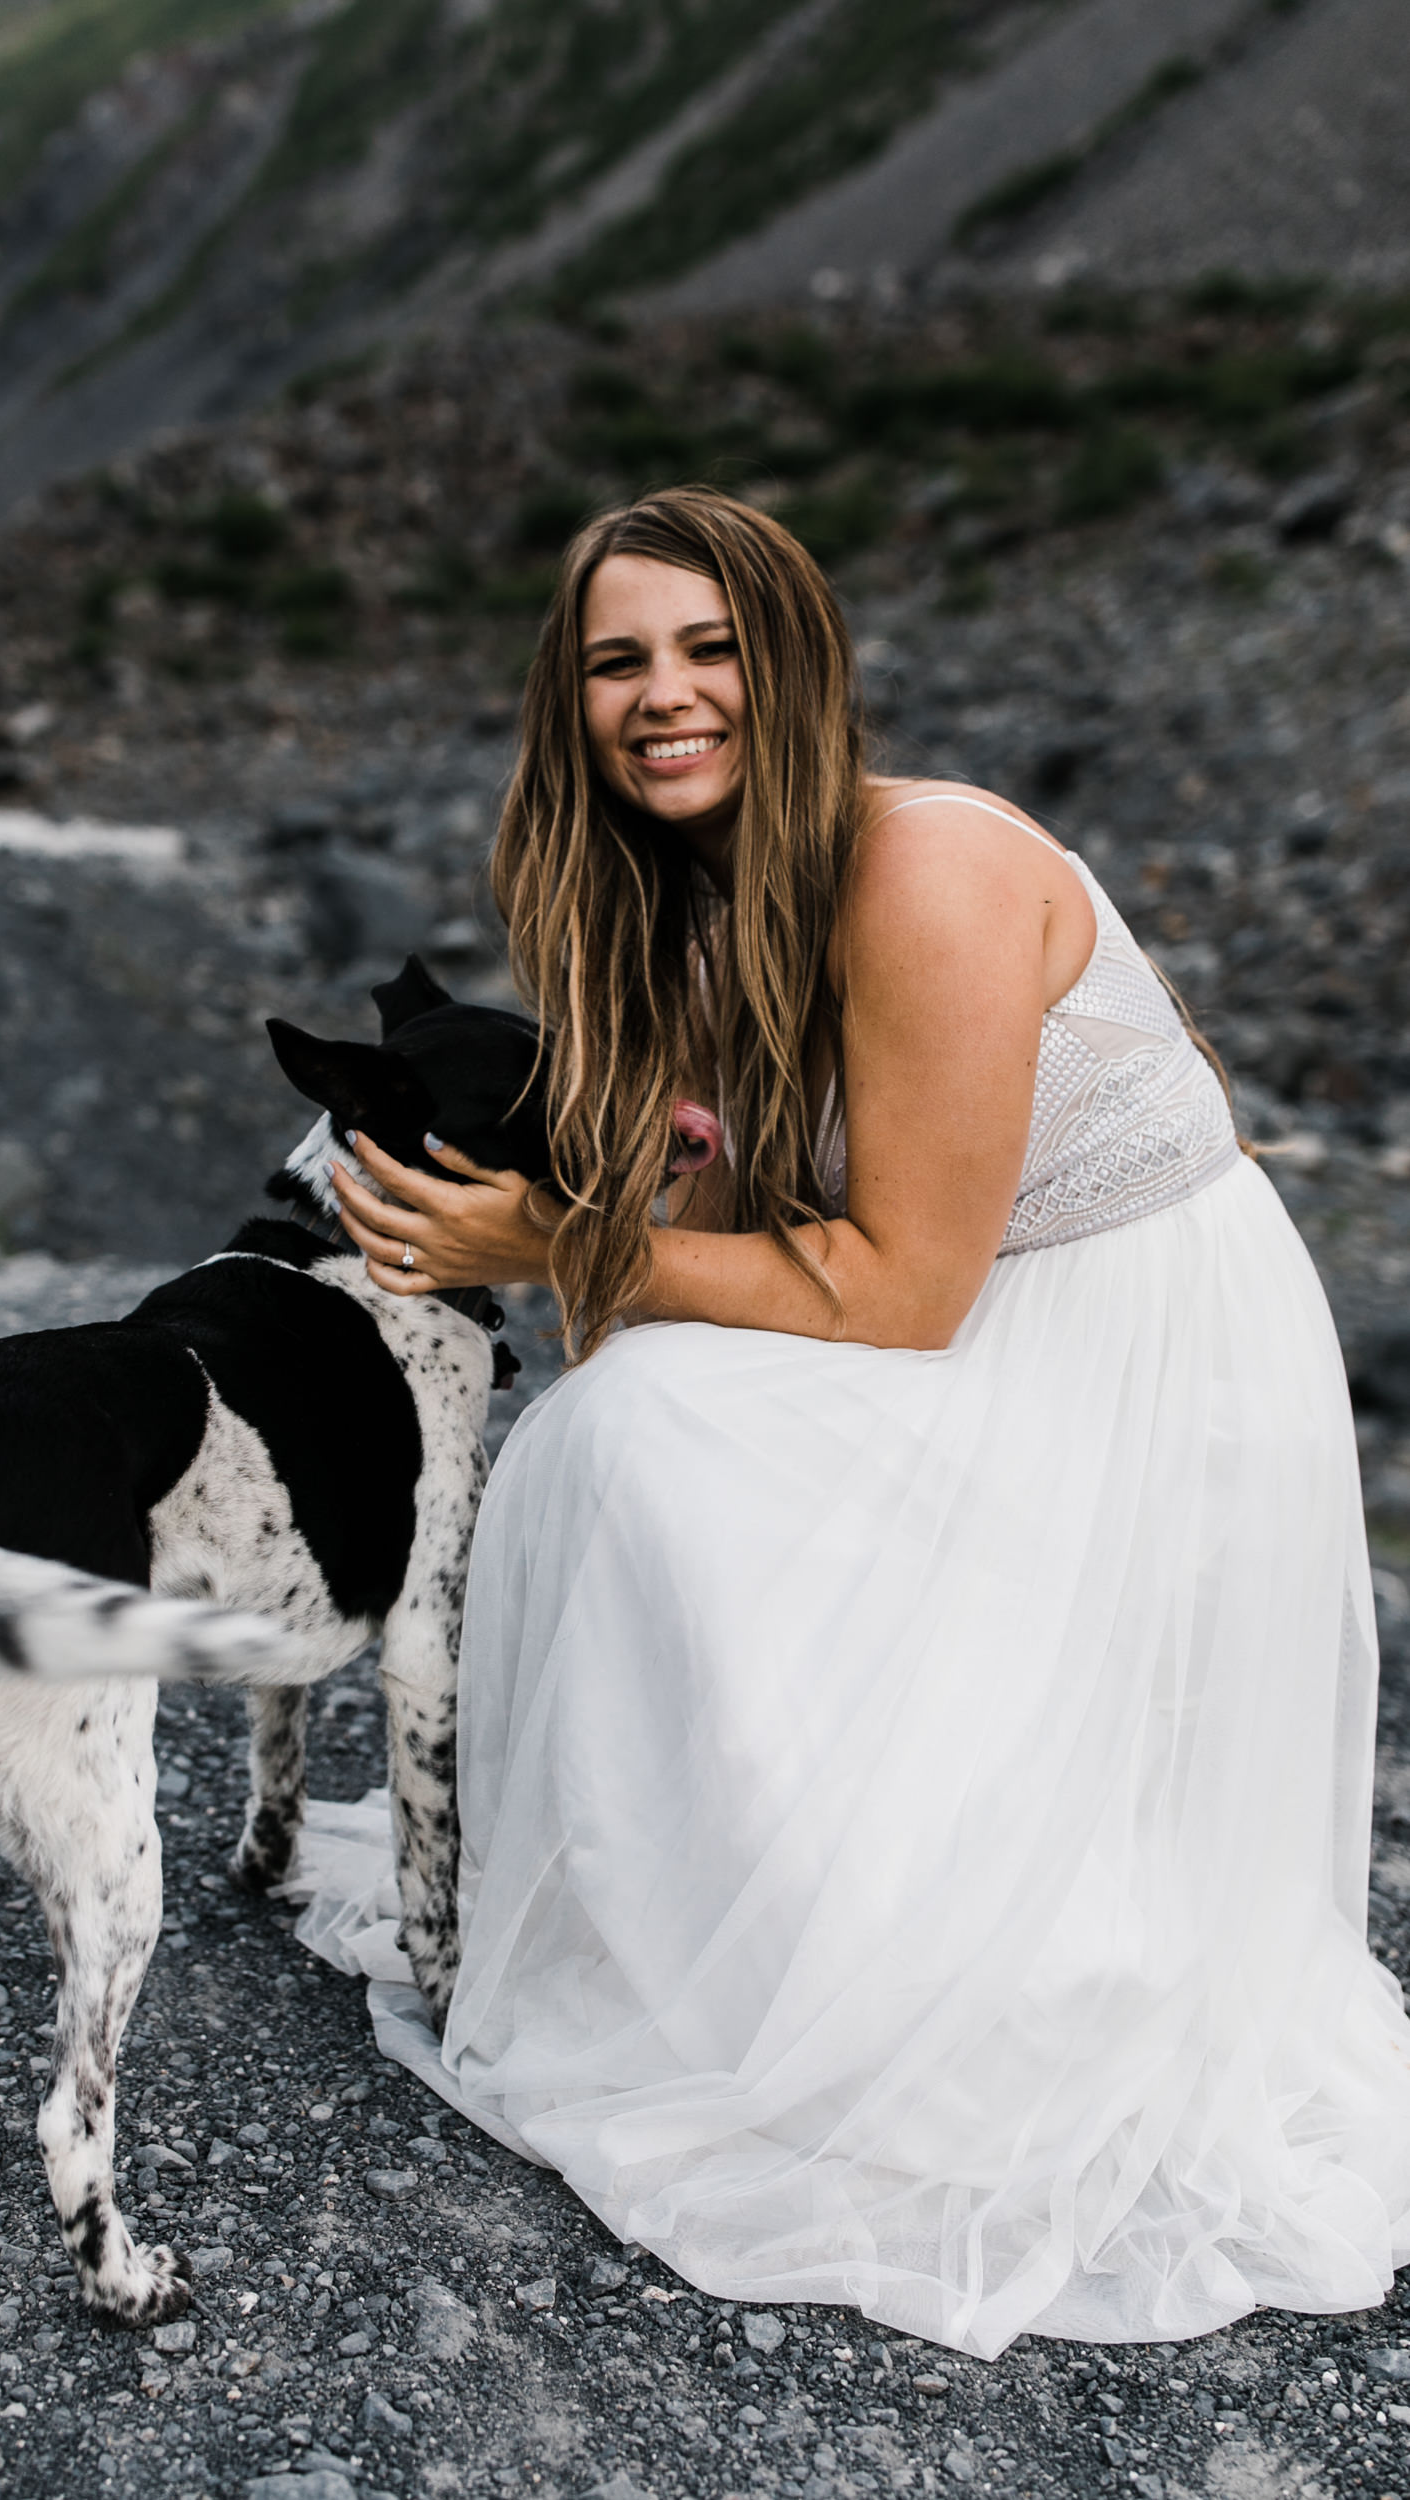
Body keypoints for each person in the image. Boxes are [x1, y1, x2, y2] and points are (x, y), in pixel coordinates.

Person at [302, 485, 1410, 2358]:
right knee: (624, 1418)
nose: (667, 693)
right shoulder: (696, 900)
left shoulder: (925, 865)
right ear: (568, 705)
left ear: (795, 659)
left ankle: (905, 1963)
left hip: (1136, 1351)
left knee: (646, 1434)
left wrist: (559, 1241)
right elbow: (775, 1224)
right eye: (618, 660)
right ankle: (765, 1924)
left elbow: (897, 1290)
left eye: (712, 647)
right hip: (983, 1311)